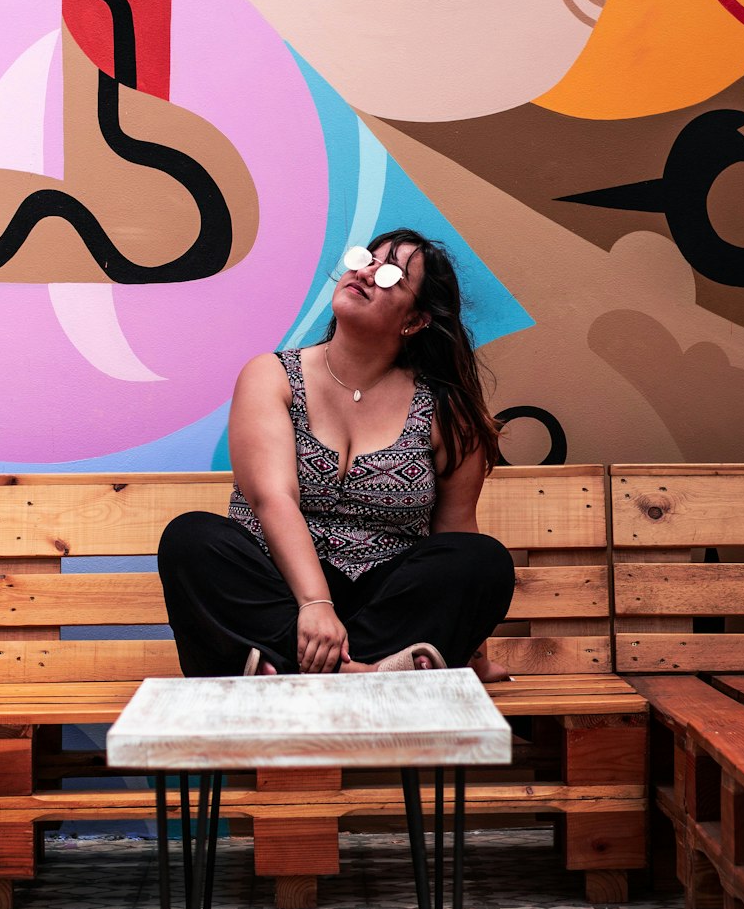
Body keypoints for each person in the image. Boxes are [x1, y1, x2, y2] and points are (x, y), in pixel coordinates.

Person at [158, 228, 515, 678]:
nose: (366, 273)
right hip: (280, 590)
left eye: (391, 275)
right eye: (366, 259)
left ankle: (286, 670)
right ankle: (368, 676)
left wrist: (474, 656)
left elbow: (456, 533)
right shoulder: (273, 376)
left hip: (380, 601)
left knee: (482, 560)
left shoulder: (446, 410)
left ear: (416, 320)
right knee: (191, 538)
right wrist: (315, 604)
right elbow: (273, 498)